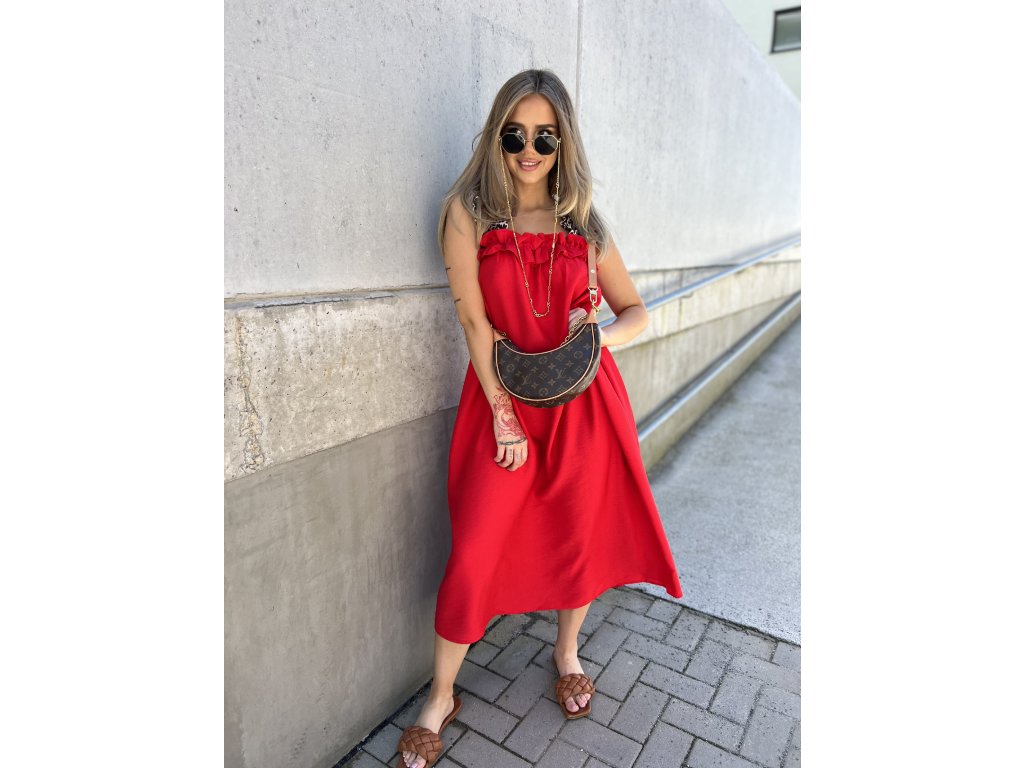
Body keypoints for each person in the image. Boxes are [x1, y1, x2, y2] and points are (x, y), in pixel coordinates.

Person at [395, 68, 683, 768]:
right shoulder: (467, 215)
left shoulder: (585, 225)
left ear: (564, 143)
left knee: (576, 536)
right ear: (496, 136)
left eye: (545, 138)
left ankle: (566, 651)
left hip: (586, 407)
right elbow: (473, 321)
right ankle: (441, 696)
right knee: (475, 550)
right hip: (502, 404)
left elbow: (636, 312)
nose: (529, 150)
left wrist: (599, 335)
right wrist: (503, 413)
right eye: (515, 135)